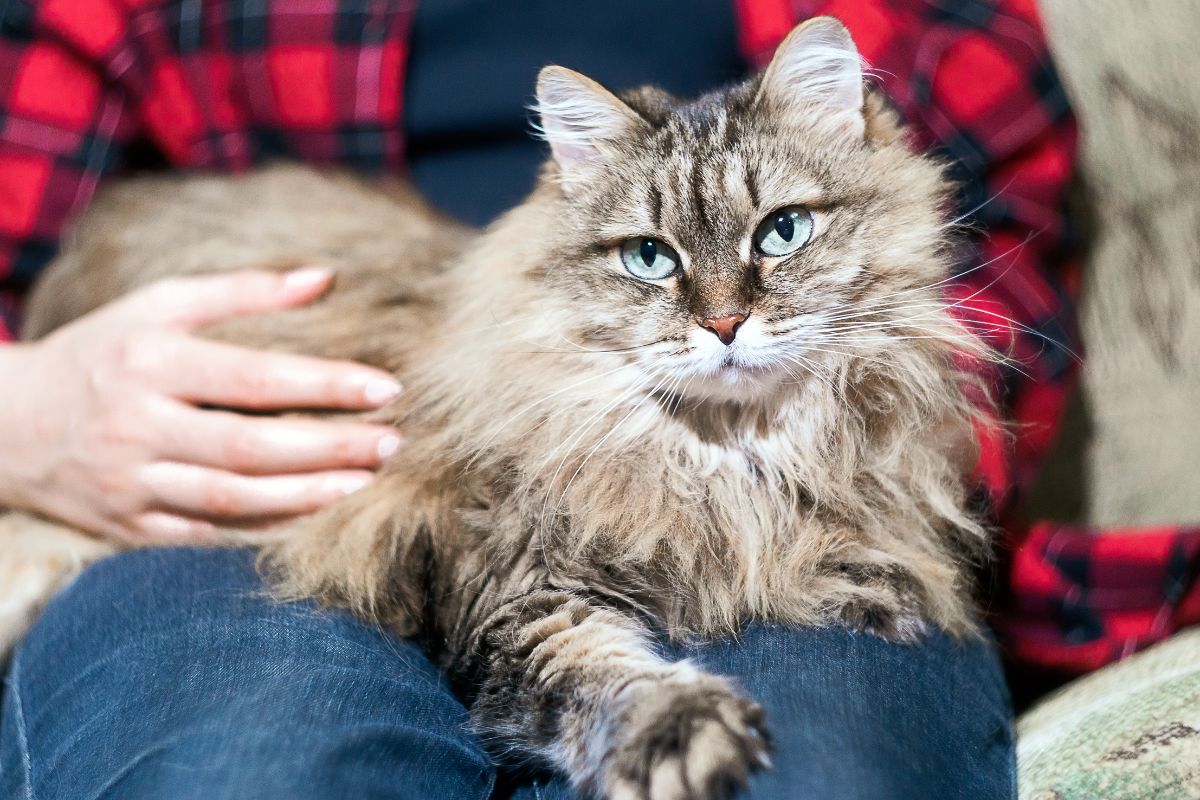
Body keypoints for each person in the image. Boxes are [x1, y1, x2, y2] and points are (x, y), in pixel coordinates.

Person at [0, 0, 1111, 796]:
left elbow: (981, 245)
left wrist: (875, 464)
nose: (726, 312)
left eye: (772, 240)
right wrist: (29, 408)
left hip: (810, 495)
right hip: (240, 482)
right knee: (257, 769)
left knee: (813, 772)